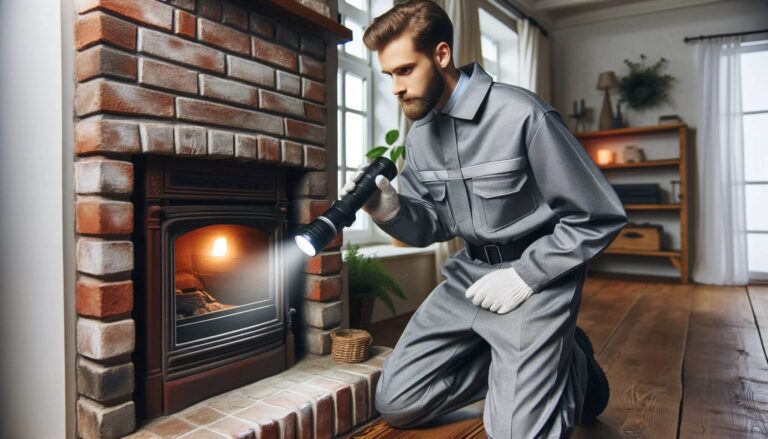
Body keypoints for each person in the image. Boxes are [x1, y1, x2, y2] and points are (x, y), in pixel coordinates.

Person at [339, 1, 628, 437]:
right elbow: (431, 225)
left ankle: (568, 365)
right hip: (468, 278)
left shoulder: (523, 115)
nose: (395, 88)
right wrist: (388, 209)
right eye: (388, 76)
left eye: (404, 70)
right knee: (397, 402)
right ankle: (541, 362)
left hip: (536, 282)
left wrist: (526, 275)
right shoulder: (420, 137)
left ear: (441, 55)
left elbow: (598, 215)